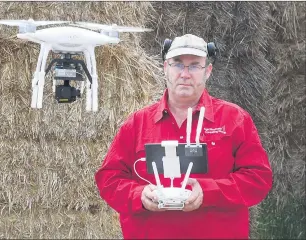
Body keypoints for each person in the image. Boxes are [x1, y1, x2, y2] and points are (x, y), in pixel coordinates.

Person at [95, 34, 273, 239]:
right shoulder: (137, 123)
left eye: (195, 66)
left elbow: (258, 179)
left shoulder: (234, 119)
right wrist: (139, 195)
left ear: (208, 71)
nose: (185, 74)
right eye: (178, 64)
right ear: (165, 68)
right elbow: (108, 179)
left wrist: (209, 192)